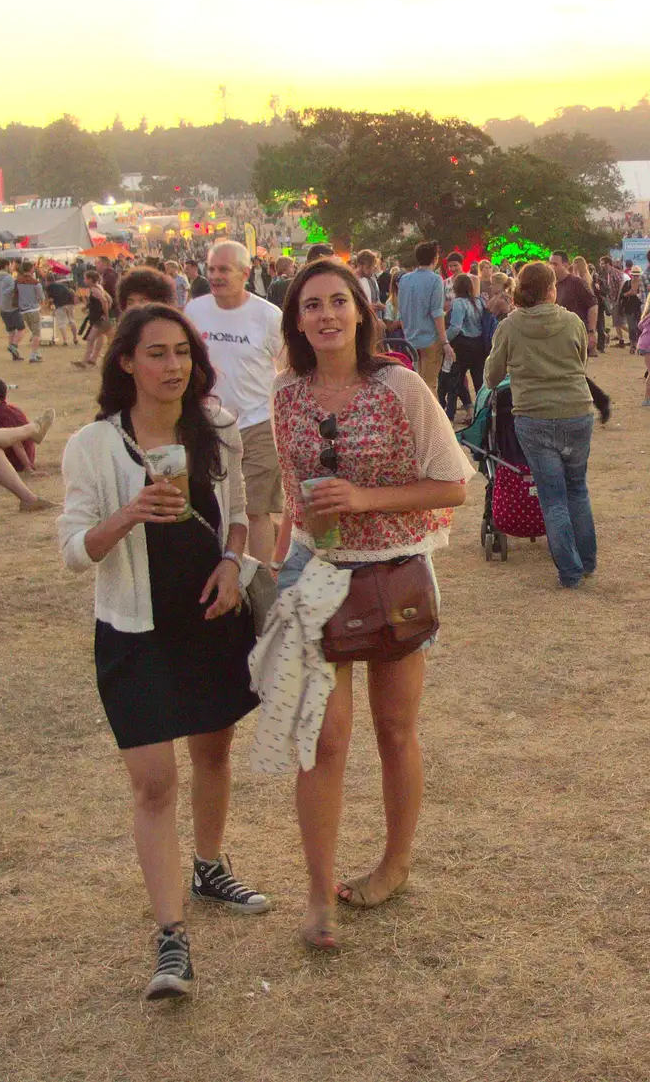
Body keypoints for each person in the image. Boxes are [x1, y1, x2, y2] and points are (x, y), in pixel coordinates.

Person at [57, 304, 268, 1001]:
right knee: (153, 782)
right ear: (126, 362)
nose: (172, 365)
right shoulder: (94, 446)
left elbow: (237, 513)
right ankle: (171, 935)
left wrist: (235, 566)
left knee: (213, 754)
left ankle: (209, 864)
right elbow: (71, 550)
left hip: (211, 616)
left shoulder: (217, 428)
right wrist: (128, 513)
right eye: (156, 353)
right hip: (134, 630)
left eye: (182, 352)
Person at [267, 256, 471, 948]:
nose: (325, 314)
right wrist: (278, 566)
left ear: (360, 311)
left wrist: (364, 500)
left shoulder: (400, 386)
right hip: (314, 572)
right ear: (296, 320)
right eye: (310, 305)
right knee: (321, 740)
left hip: (394, 572)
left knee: (393, 730)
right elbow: (293, 500)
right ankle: (318, 894)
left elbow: (452, 485)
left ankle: (395, 862)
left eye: (337, 302)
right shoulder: (286, 394)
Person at [483, 261, 597, 588]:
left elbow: (492, 377)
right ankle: (587, 561)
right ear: (551, 289)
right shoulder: (573, 322)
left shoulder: (509, 326)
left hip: (534, 416)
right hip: (576, 411)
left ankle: (571, 572)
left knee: (553, 496)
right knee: (577, 488)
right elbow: (581, 362)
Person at [183, 241, 285, 563]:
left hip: (257, 424)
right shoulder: (194, 311)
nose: (215, 276)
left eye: (223, 269)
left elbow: (288, 367)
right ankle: (220, 571)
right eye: (211, 269)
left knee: (255, 510)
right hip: (207, 422)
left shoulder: (268, 316)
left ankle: (260, 584)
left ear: (245, 273)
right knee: (215, 504)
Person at [395, 242, 452, 397]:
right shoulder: (435, 280)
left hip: (410, 337)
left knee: (415, 385)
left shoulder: (405, 279)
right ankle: (429, 420)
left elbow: (402, 309)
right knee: (429, 386)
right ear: (435, 258)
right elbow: (437, 312)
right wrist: (445, 342)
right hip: (430, 339)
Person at [442, 273, 492, 424]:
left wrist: (444, 341)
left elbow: (456, 327)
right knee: (479, 384)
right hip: (479, 346)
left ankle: (449, 415)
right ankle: (483, 416)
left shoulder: (458, 303)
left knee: (455, 381)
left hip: (462, 346)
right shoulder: (479, 301)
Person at [0, 376, 40, 477]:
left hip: (16, 462)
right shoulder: (13, 409)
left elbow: (15, 441)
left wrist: (28, 467)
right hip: (28, 455)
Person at [550, 250, 599, 358]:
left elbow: (593, 305)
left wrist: (591, 331)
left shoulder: (577, 282)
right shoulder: (552, 284)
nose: (552, 267)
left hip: (575, 335)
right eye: (550, 263)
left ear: (566, 265)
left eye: (555, 264)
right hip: (557, 335)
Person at [75, 269, 112, 367]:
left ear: (90, 279)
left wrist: (106, 314)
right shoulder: (98, 287)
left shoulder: (94, 289)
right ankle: (91, 360)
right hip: (99, 319)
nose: (84, 280)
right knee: (106, 338)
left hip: (99, 320)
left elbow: (104, 300)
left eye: (85, 278)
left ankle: (84, 362)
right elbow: (109, 299)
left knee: (90, 340)